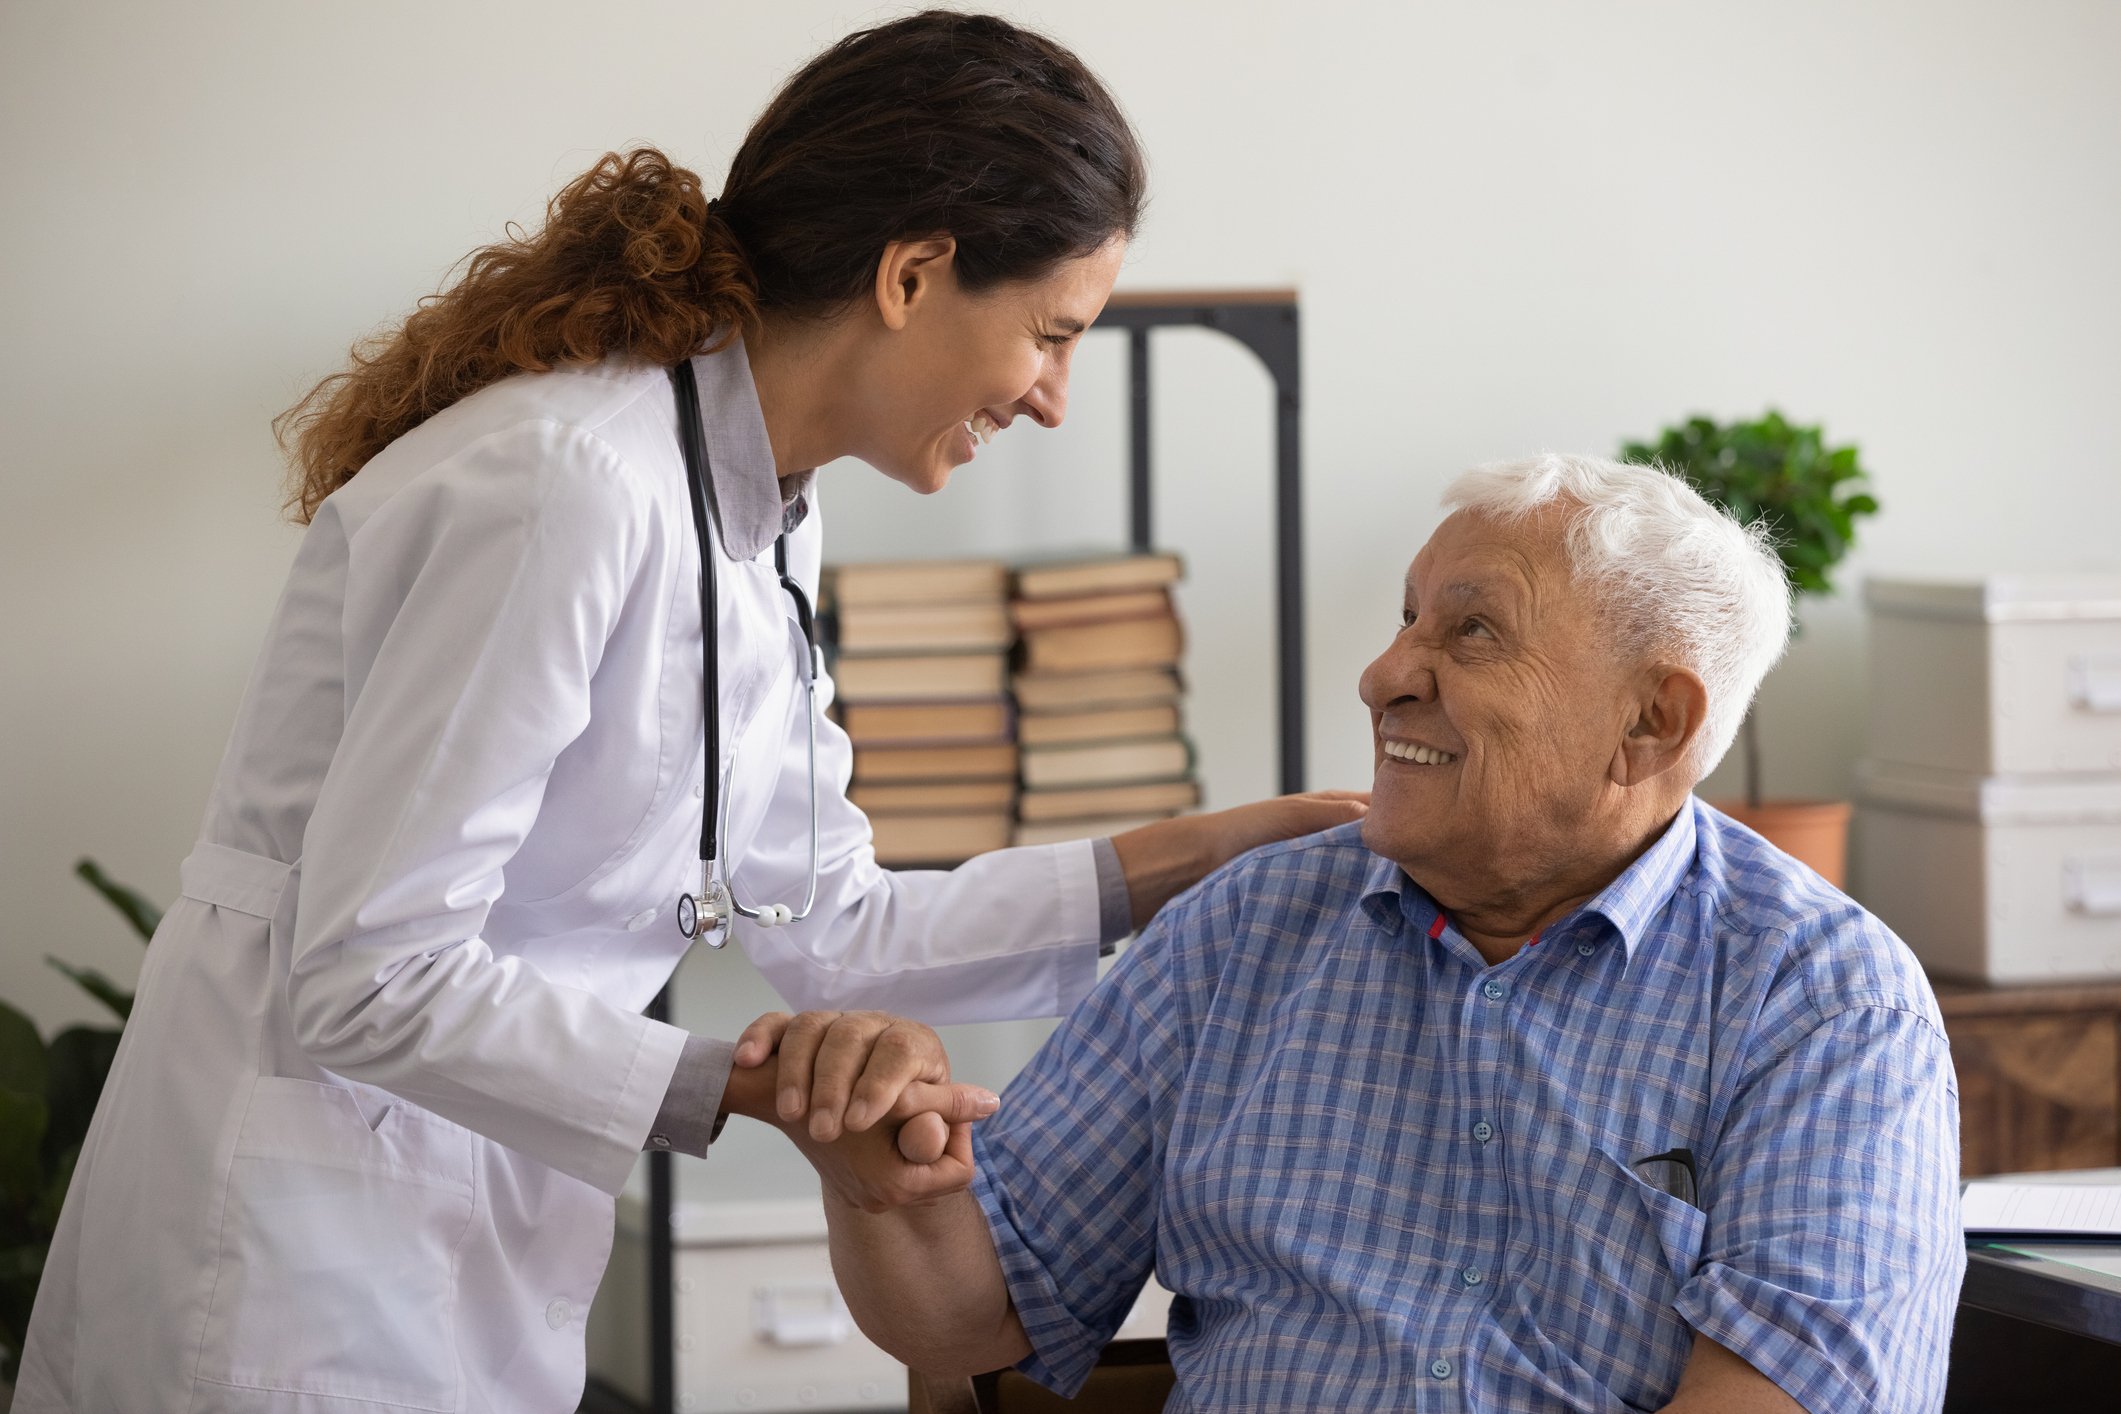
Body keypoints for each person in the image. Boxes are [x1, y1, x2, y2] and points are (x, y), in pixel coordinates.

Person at [12, 12, 1361, 1412]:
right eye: (1050, 336)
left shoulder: (764, 513)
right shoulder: (569, 481)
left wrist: (1215, 849)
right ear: (914, 272)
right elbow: (370, 971)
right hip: (296, 1235)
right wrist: (754, 1086)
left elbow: (832, 923)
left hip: (463, 1210)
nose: (1055, 399)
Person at [803, 455, 1967, 1413]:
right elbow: (976, 1314)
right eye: (1407, 618)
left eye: (1471, 635)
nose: (1383, 674)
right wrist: (878, 1177)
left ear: (1650, 723)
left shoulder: (1827, 1000)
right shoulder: (1246, 924)